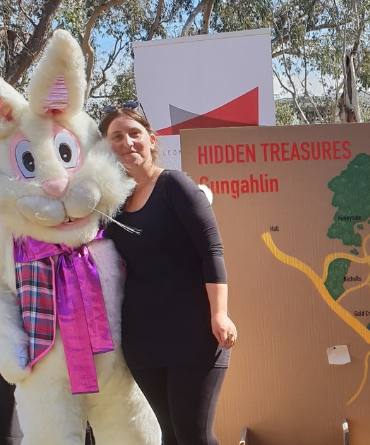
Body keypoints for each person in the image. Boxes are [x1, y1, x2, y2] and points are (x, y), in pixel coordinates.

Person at [98, 103, 236, 445]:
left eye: (134, 133)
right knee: (170, 436)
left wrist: (219, 313)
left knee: (194, 436)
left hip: (195, 334)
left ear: (152, 140)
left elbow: (212, 251)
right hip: (143, 340)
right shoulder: (112, 205)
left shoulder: (175, 185)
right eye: (116, 136)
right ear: (106, 147)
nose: (127, 142)